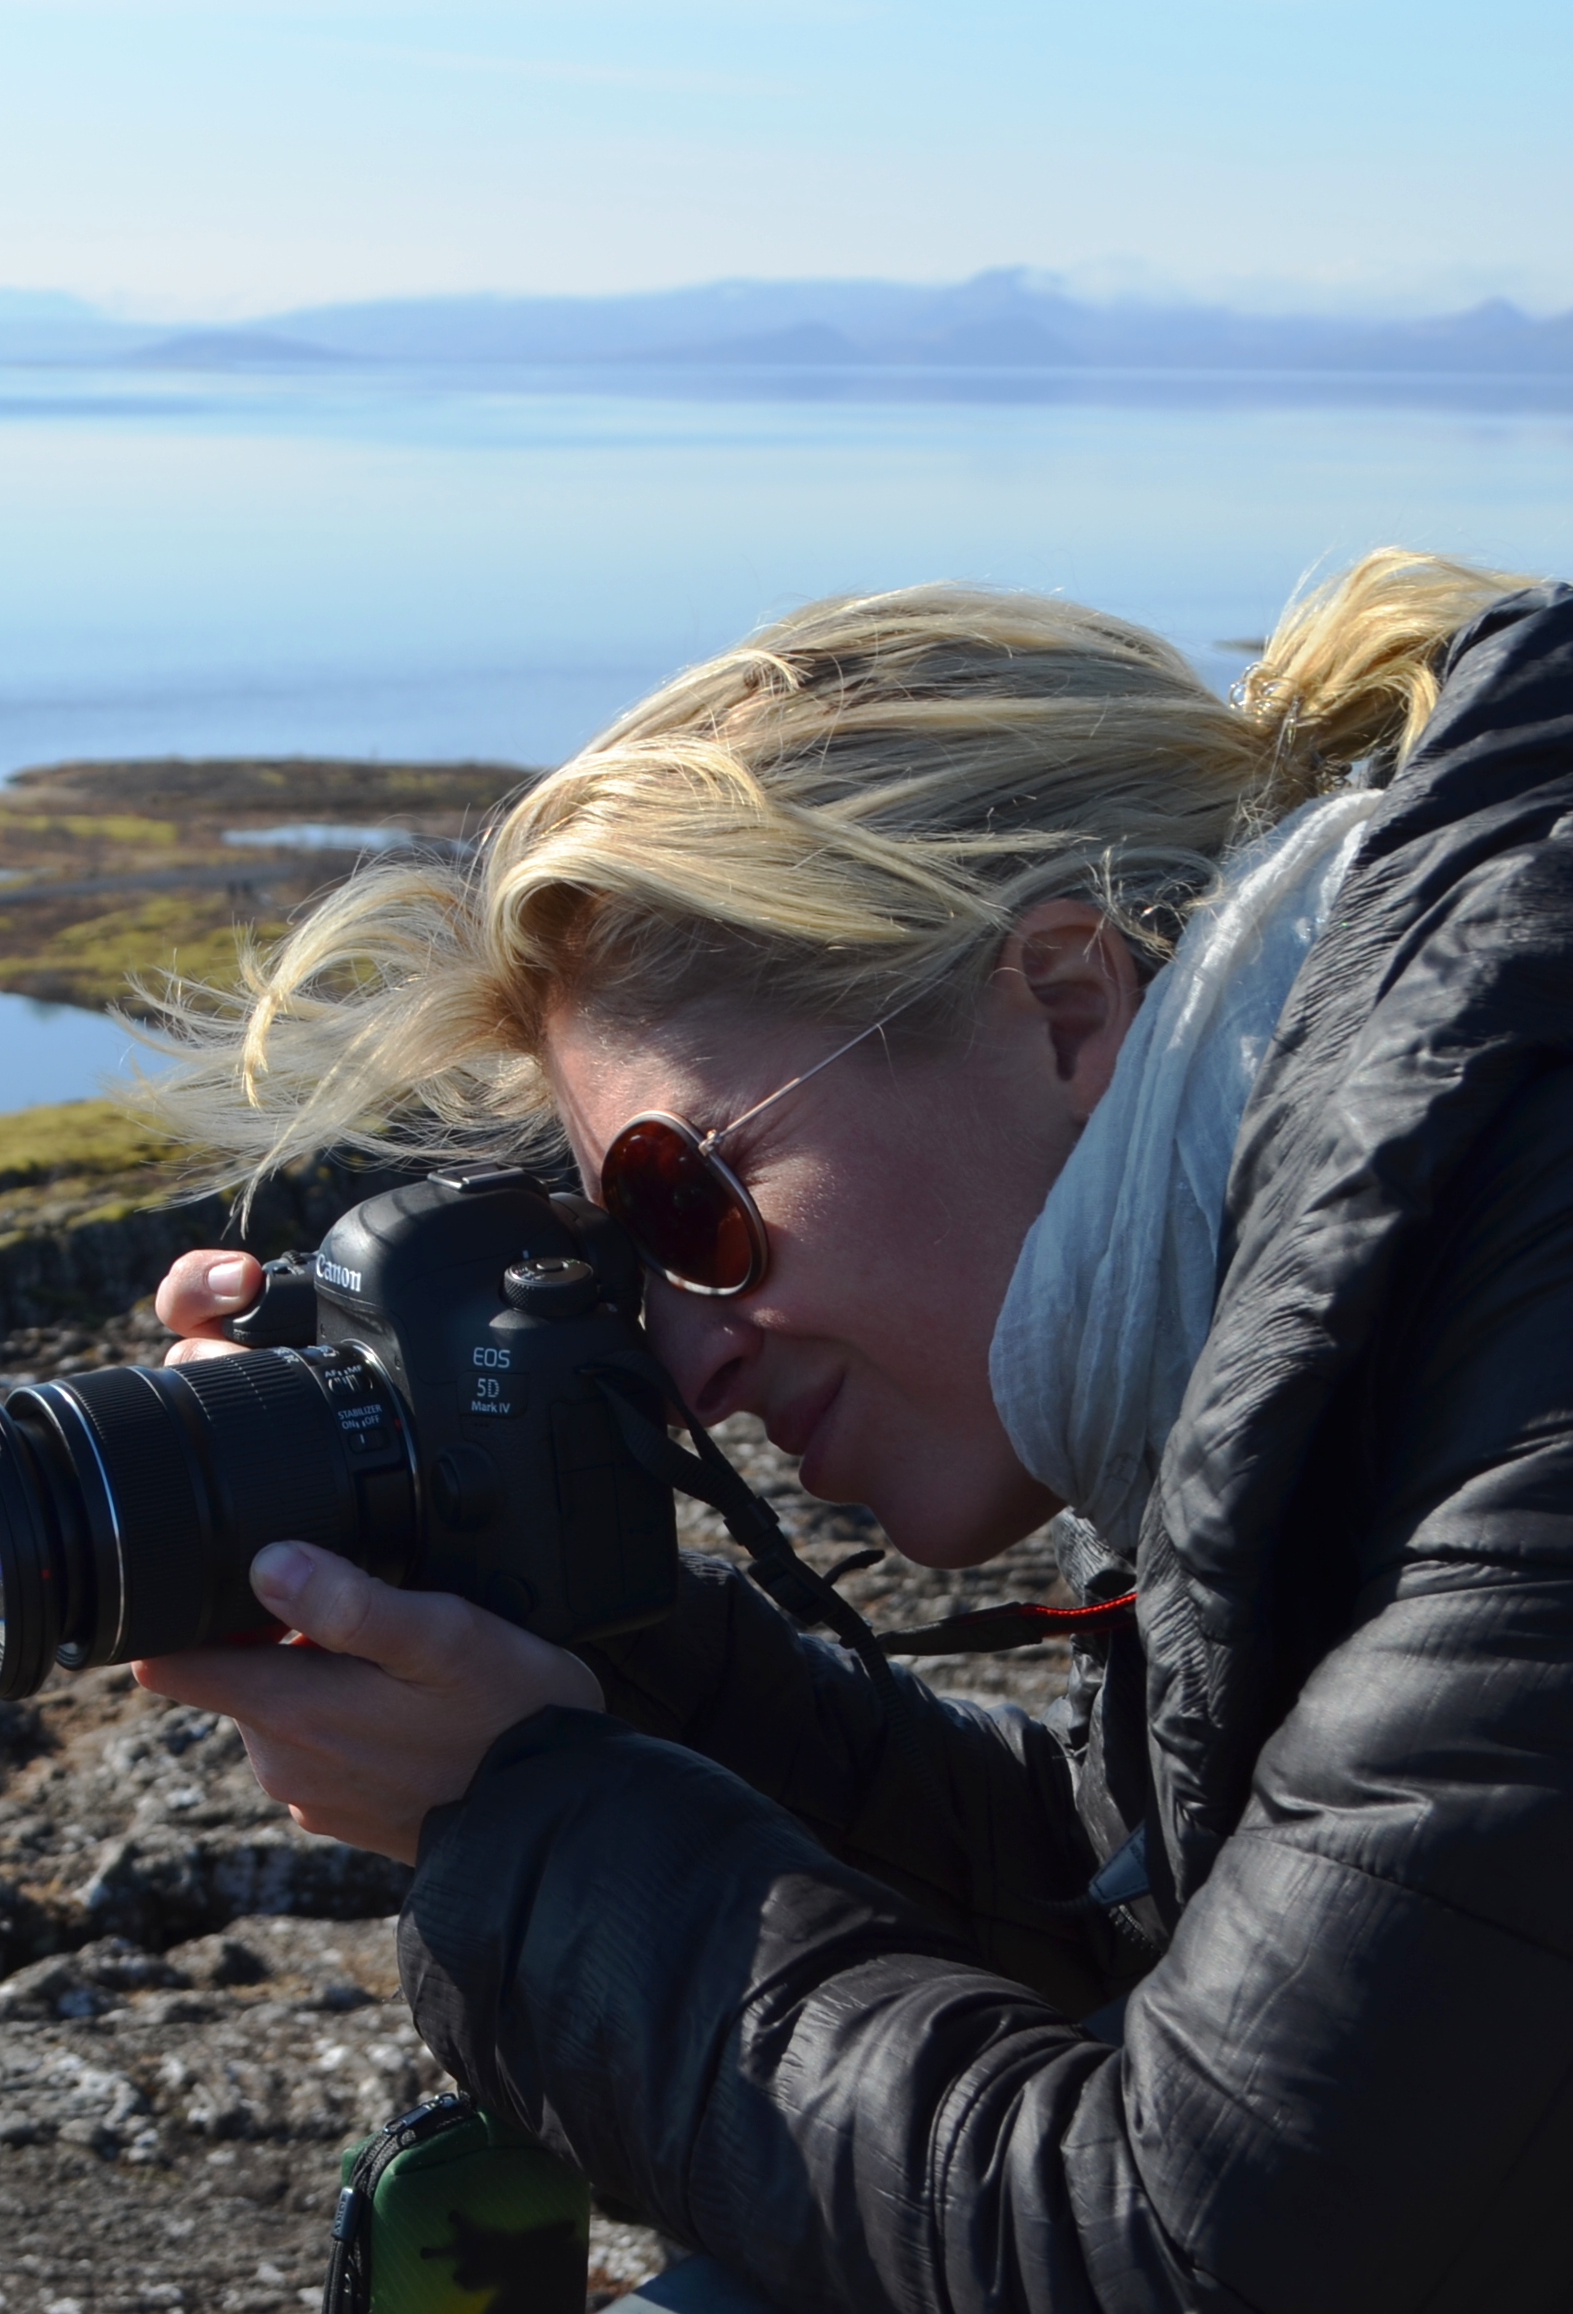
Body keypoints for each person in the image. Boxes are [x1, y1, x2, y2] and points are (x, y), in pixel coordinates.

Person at [122, 549, 1573, 2312]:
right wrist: (562, 1640)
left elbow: (1192, 2250)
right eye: (623, 1263)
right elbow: (1134, 1915)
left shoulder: (1527, 1325)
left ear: (1065, 1003)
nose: (687, 1362)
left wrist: (527, 1818)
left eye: (684, 1199)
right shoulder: (1371, 1230)